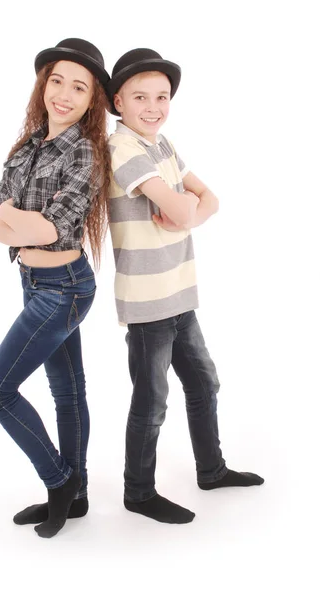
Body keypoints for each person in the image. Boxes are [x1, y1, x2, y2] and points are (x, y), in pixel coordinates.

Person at [107, 48, 264, 524]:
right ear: (118, 101)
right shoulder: (124, 150)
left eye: (161, 96)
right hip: (147, 301)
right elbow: (187, 207)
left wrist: (184, 215)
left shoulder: (163, 144)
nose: (153, 106)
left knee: (203, 383)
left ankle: (211, 470)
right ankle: (138, 492)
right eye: (140, 97)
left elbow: (209, 198)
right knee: (152, 402)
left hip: (180, 291)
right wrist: (186, 212)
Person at [0, 38, 111, 538]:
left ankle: (57, 479)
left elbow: (48, 230)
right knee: (67, 390)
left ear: (92, 99)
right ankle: (75, 497)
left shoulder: (85, 154)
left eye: (79, 87)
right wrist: (13, 221)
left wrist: (11, 216)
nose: (65, 94)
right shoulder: (26, 145)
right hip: (32, 282)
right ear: (44, 84)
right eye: (57, 80)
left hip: (66, 288)